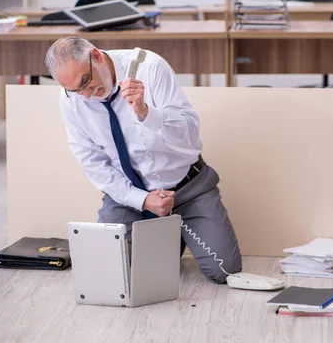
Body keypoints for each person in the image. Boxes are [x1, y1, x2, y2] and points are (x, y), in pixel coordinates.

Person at [44, 36, 242, 283]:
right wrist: (142, 200)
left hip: (187, 188)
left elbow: (190, 137)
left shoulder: (150, 67)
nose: (85, 95)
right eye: (74, 90)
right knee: (111, 272)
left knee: (225, 271)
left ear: (96, 55)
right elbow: (92, 162)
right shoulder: (72, 100)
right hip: (130, 196)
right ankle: (165, 236)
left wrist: (147, 113)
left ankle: (172, 231)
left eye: (85, 81)